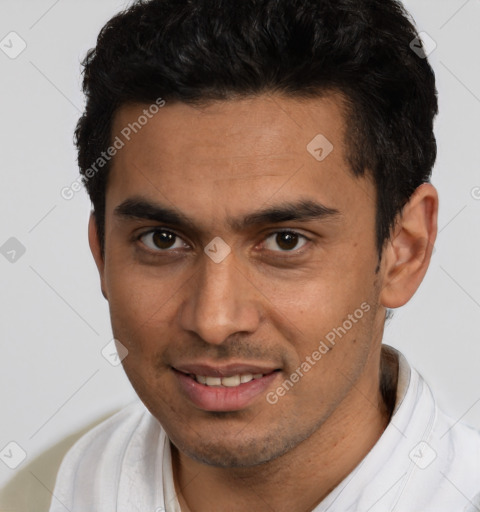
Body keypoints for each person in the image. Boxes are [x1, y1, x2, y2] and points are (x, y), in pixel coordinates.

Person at [49, 0, 480, 510]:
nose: (214, 320)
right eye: (162, 239)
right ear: (101, 253)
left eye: (285, 241)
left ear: (404, 250)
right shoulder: (58, 483)